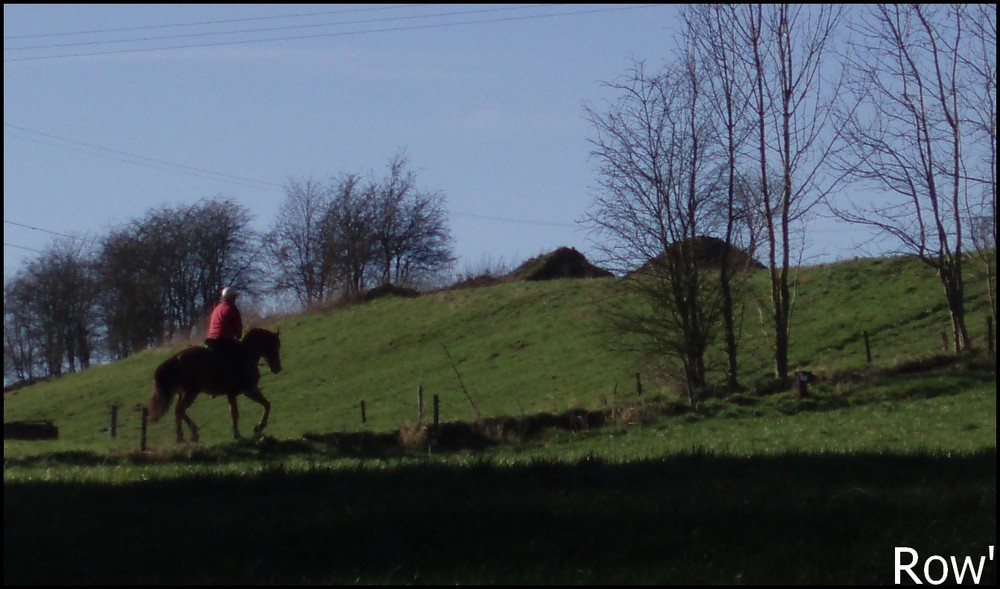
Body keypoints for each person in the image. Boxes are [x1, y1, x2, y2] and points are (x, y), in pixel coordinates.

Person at [205, 286, 255, 393]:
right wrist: (238, 337)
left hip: (210, 340)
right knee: (245, 357)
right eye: (234, 297)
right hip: (223, 340)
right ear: (232, 297)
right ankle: (247, 385)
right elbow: (238, 331)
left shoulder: (217, 308)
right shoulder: (232, 309)